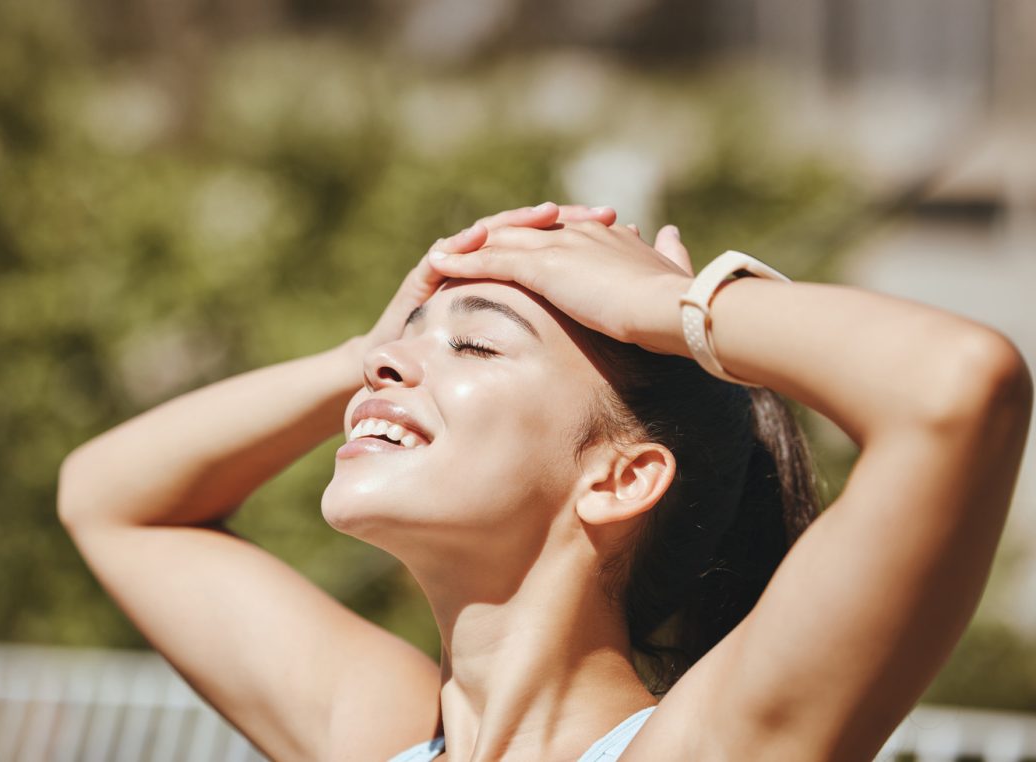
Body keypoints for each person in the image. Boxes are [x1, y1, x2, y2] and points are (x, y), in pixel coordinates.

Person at [57, 201, 1032, 760]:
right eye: (405, 345)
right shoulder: (389, 740)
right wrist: (373, 344)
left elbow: (957, 389)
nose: (390, 370)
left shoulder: (707, 749)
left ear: (620, 480)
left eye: (477, 344)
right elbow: (110, 499)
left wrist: (665, 306)